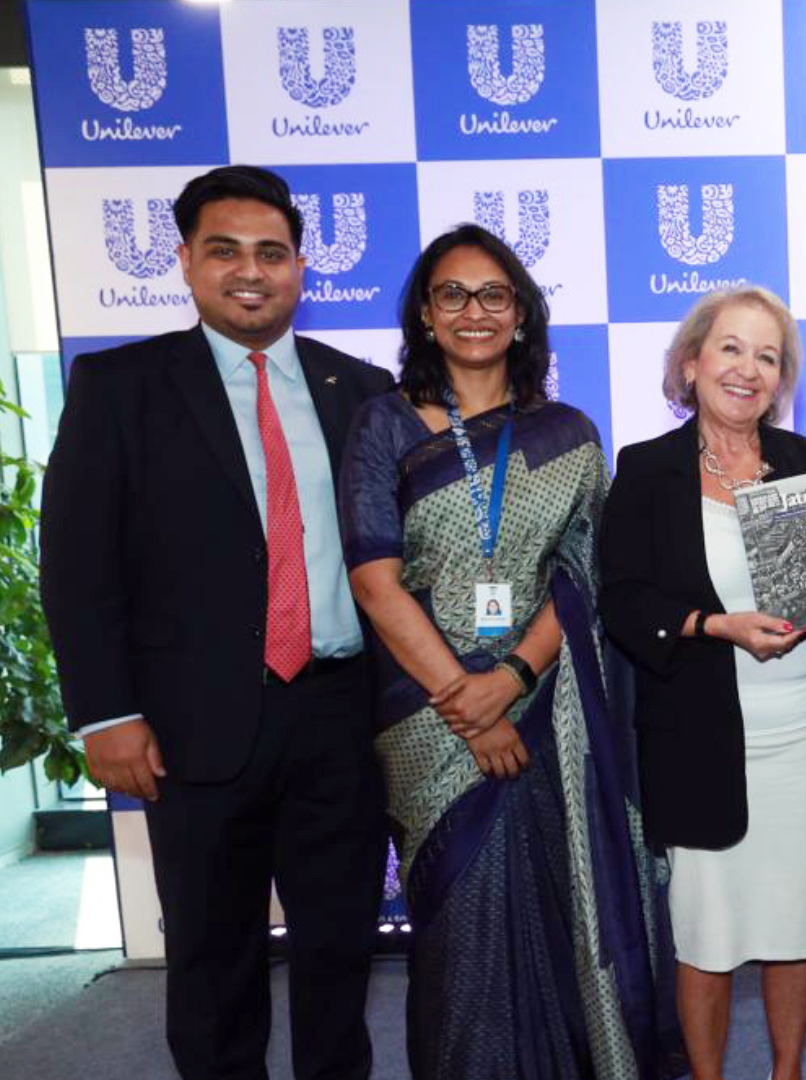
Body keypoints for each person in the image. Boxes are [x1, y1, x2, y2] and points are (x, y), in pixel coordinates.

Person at [39, 165, 393, 1080]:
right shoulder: (120, 385)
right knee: (209, 958)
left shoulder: (361, 388)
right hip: (191, 725)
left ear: (301, 268)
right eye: (225, 250)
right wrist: (105, 713)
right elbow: (79, 565)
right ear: (188, 264)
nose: (251, 270)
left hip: (340, 715)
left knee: (338, 950)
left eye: (271, 252)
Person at [335, 224, 676, 1079]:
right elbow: (376, 582)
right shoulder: (379, 424)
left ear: (521, 315)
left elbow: (586, 574)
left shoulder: (565, 432)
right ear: (424, 312)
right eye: (451, 293)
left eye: (494, 295)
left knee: (561, 918)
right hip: (425, 714)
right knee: (460, 931)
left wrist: (513, 676)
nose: (473, 311)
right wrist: (466, 701)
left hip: (547, 702)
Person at [598, 286, 806, 1080]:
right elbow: (622, 599)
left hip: (802, 740)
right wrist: (712, 626)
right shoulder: (647, 471)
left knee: (796, 928)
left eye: (768, 356)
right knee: (707, 938)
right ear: (691, 364)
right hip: (698, 742)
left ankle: (787, 1073)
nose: (748, 369)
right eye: (730, 348)